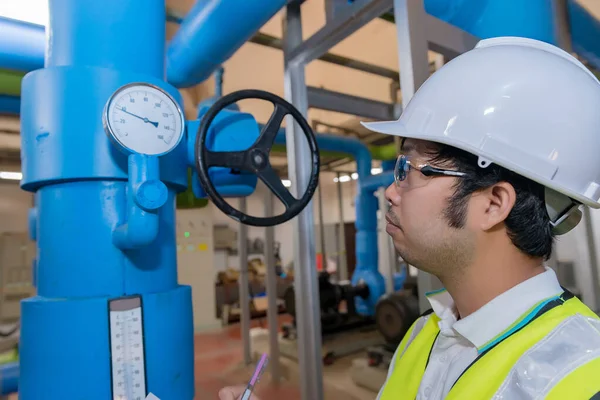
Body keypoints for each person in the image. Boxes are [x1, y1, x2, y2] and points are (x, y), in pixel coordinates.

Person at [219, 36, 600, 400]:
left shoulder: (582, 373)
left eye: (411, 169)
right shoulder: (425, 333)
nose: (389, 190)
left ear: (493, 203)